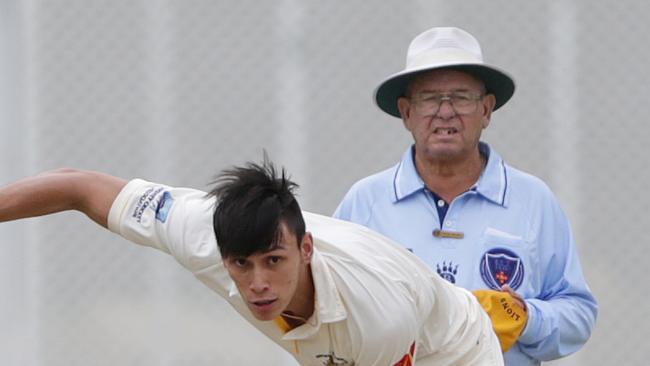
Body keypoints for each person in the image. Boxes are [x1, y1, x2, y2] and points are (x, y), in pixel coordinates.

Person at [0, 160, 506, 365]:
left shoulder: (375, 316)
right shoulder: (199, 229)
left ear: (305, 250)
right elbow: (76, 187)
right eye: (242, 264)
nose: (259, 284)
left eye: (274, 260)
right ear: (223, 257)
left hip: (455, 351)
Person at [334, 27, 597, 365]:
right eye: (429, 98)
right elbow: (331, 308)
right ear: (406, 113)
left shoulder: (533, 200)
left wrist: (526, 319)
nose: (445, 112)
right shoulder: (365, 203)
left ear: (486, 110)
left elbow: (578, 313)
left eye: (461, 97)